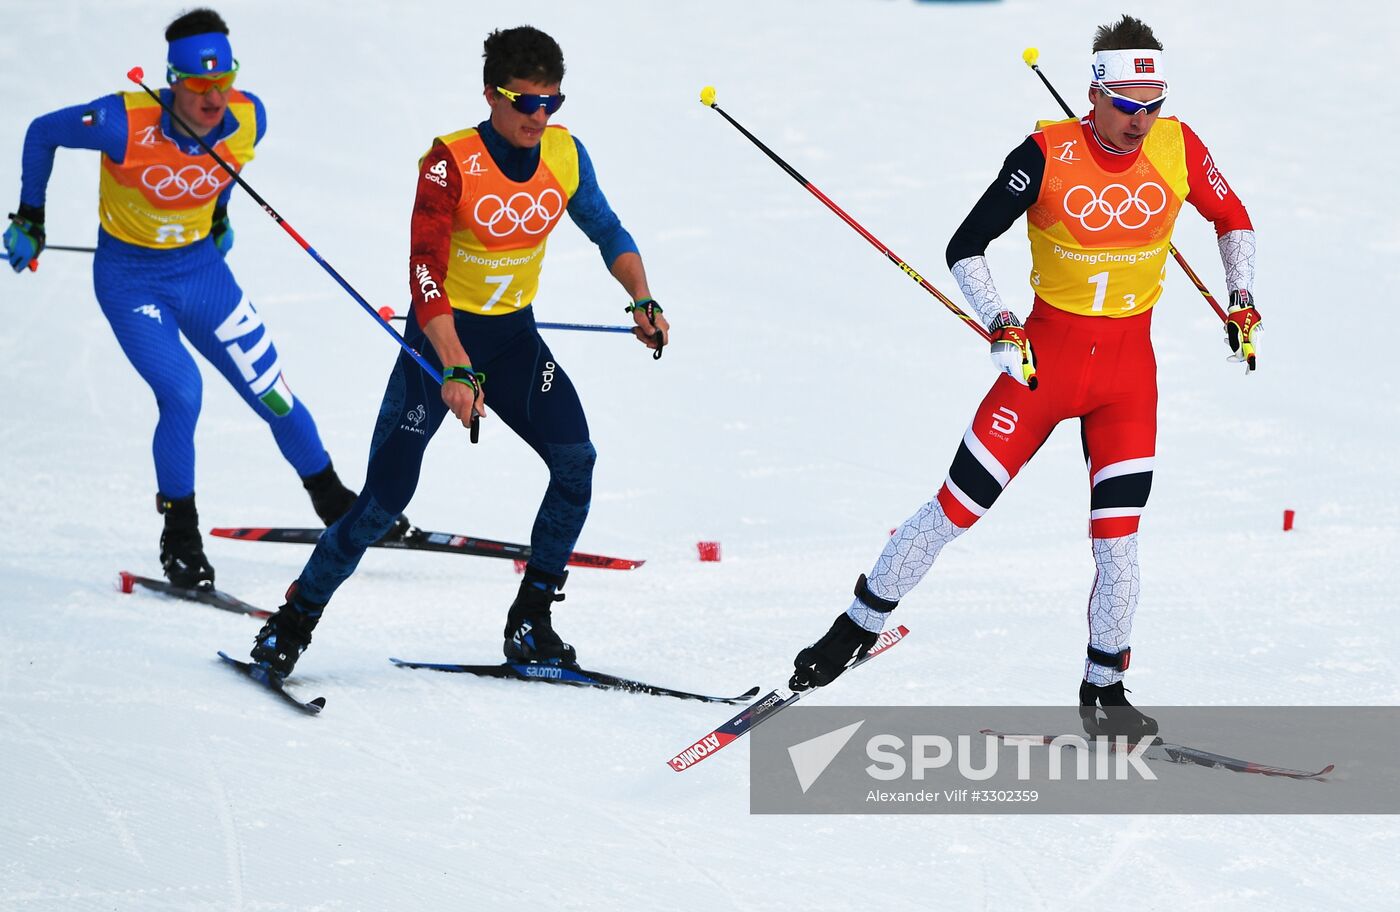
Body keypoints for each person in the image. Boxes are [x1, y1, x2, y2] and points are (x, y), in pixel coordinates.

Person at [787, 15, 1260, 738]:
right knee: (955, 511)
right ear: (1095, 93)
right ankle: (852, 627)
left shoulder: (1179, 146)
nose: (1141, 122)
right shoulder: (1044, 154)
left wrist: (1241, 297)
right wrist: (1001, 321)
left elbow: (1234, 219)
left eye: (1154, 103)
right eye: (1128, 105)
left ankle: (1106, 690)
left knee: (1119, 544)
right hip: (1044, 369)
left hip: (1129, 379)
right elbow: (965, 245)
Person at [248, 25, 669, 679]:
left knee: (575, 463)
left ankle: (531, 621)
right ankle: (292, 623)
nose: (539, 116)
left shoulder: (565, 155)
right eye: (525, 101)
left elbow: (606, 228)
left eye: (551, 102)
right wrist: (450, 360)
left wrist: (642, 297)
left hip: (513, 340)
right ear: (492, 95)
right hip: (437, 342)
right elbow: (425, 272)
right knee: (383, 501)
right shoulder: (451, 161)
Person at [3, 8, 370, 590]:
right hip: (131, 281)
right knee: (182, 391)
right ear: (173, 80)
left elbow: (223, 171)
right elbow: (42, 131)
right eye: (199, 86)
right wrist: (31, 216)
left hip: (201, 272)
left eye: (222, 82)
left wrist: (219, 215)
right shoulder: (122, 121)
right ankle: (180, 536)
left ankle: (333, 500)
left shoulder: (250, 119)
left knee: (271, 391)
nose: (212, 98)